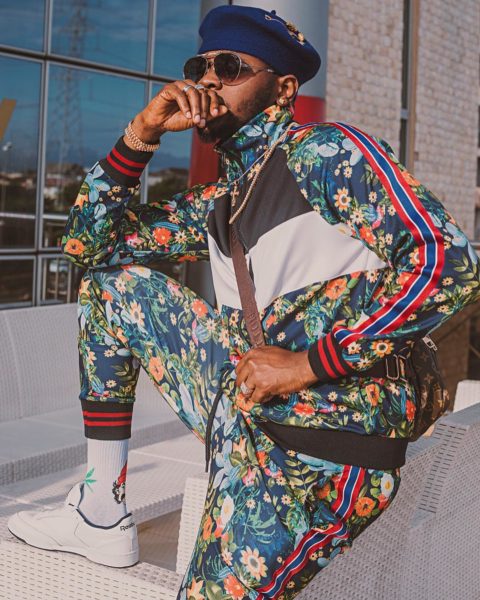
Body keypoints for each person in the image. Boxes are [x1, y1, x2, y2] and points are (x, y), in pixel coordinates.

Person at [8, 5, 480, 599]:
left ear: (282, 88)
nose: (208, 80)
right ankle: (101, 506)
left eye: (229, 67)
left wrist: (309, 363)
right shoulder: (222, 199)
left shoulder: (325, 153)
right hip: (244, 411)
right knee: (111, 287)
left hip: (317, 444)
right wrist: (141, 133)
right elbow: (89, 245)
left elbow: (448, 262)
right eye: (199, 67)